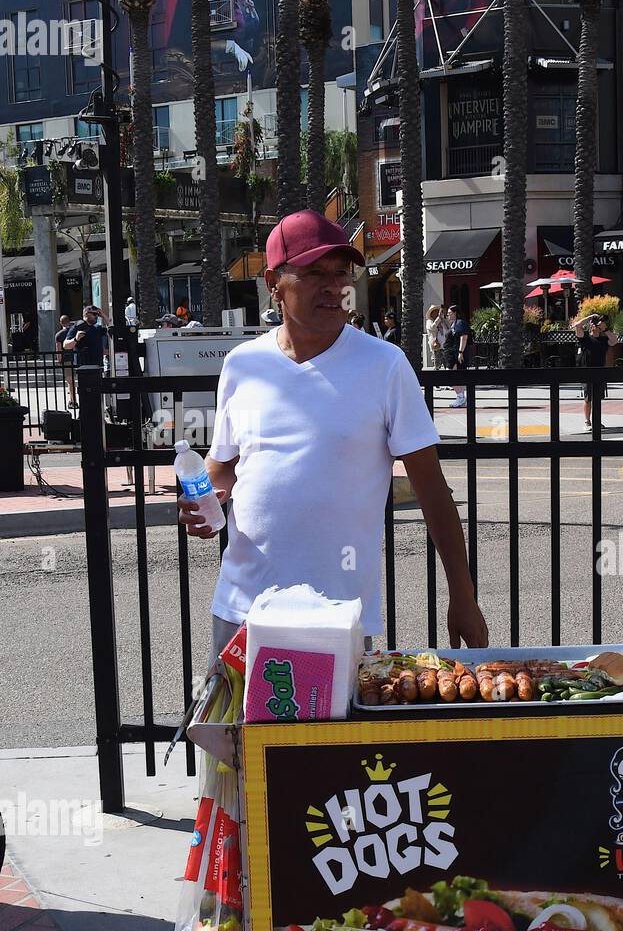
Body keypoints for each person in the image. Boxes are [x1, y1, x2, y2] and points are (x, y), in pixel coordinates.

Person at [178, 207, 487, 666]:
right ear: (273, 282)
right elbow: (223, 464)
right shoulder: (242, 364)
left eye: (340, 272)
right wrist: (203, 497)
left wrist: (463, 596)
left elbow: (433, 491)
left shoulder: (384, 365)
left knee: (333, 740)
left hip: (339, 616)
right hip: (243, 608)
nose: (332, 286)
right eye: (312, 272)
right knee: (233, 739)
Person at [571, 312, 615, 428]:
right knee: (588, 398)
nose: (596, 327)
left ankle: (597, 421)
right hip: (587, 371)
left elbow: (614, 340)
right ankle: (587, 421)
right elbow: (577, 326)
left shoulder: (603, 340)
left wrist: (605, 329)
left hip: (600, 372)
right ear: (591, 327)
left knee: (597, 399)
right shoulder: (584, 338)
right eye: (595, 325)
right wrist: (590, 317)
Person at [62, 305, 109, 408]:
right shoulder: (77, 327)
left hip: (97, 366)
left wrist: (103, 315)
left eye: (97, 315)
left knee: (97, 396)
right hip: (84, 368)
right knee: (86, 395)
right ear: (86, 315)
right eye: (94, 315)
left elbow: (111, 327)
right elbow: (65, 345)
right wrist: (76, 339)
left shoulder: (97, 328)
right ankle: (84, 417)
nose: (96, 317)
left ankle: (98, 418)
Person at [444, 304, 472, 407]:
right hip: (451, 353)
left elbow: (463, 337)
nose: (448, 315)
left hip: (455, 354)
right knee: (454, 376)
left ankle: (461, 397)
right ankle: (460, 397)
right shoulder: (453, 324)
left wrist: (460, 352)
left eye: (450, 313)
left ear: (455, 313)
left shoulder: (460, 323)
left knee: (451, 376)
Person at [425, 303, 450, 369]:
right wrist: (438, 318)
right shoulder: (429, 322)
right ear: (431, 313)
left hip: (444, 345)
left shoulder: (441, 320)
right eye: (435, 312)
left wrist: (443, 318)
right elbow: (433, 327)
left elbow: (448, 328)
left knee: (447, 364)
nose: (436, 313)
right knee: (437, 365)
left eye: (437, 312)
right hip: (436, 346)